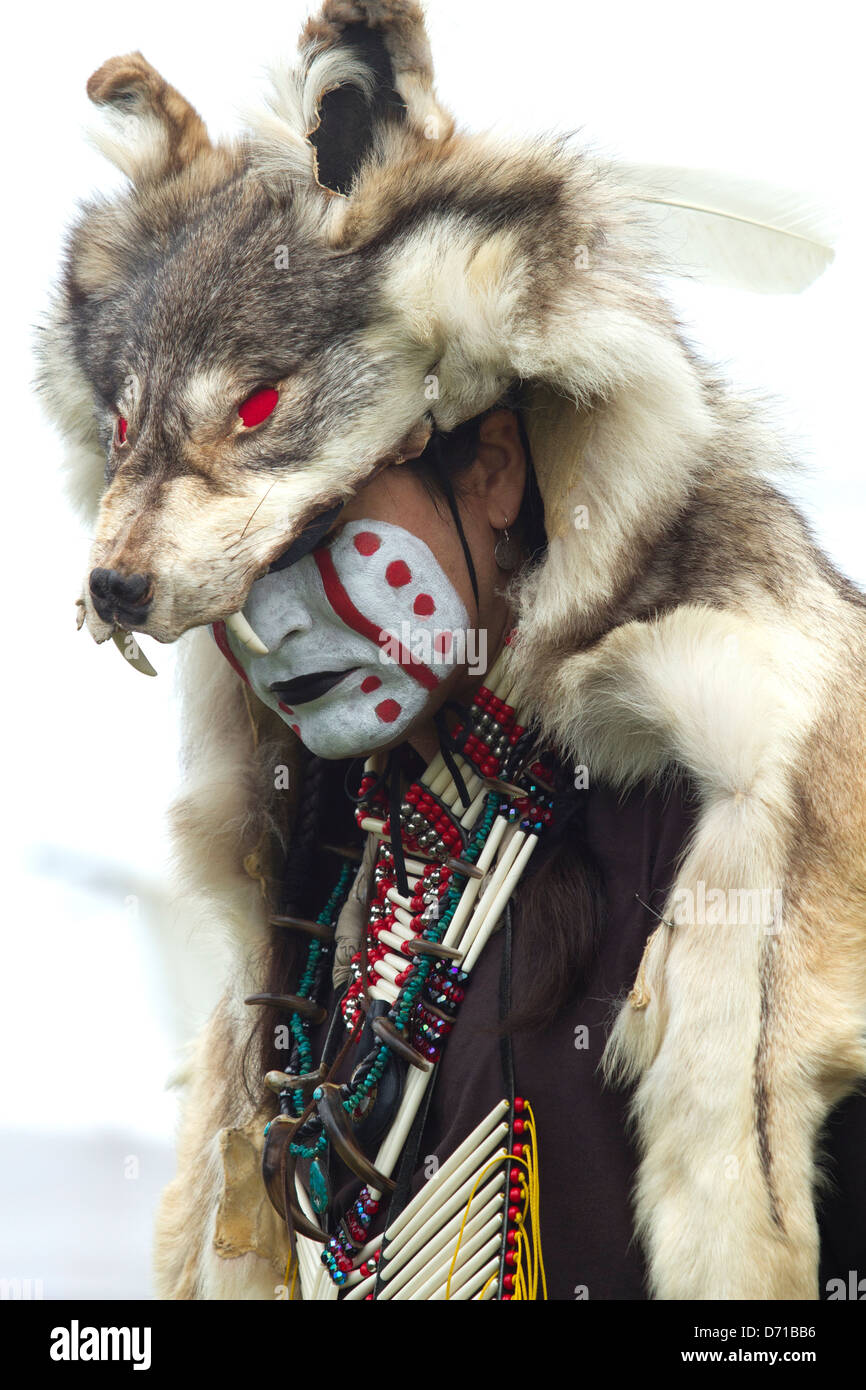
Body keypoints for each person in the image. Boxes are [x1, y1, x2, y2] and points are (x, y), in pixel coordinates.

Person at [176, 402, 862, 1301]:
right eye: (223, 574)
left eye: (307, 533)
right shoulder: (328, 873)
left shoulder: (739, 815)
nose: (273, 622)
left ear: (493, 469)